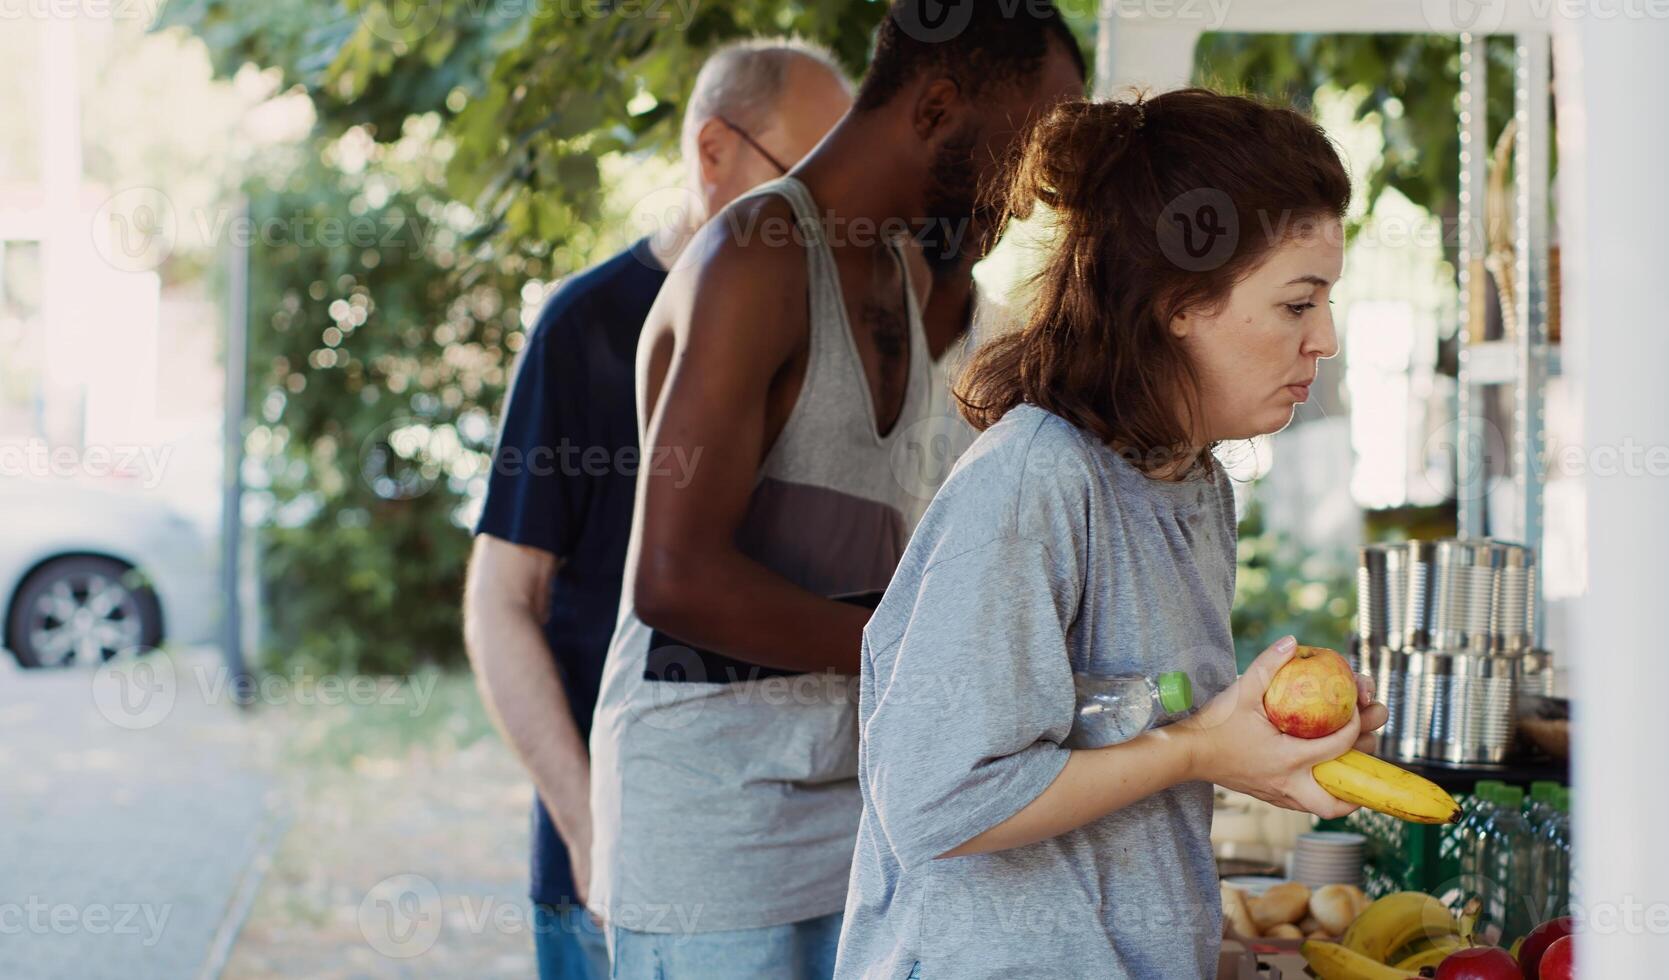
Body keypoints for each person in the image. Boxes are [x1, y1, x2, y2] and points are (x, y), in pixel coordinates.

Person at [834, 89, 1391, 979]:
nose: (1324, 338)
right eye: (1297, 304)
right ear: (1178, 300)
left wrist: (1241, 748)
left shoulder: (1192, 482)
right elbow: (939, 801)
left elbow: (1131, 747)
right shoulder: (1033, 482)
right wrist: (1203, 748)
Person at [586, 4, 1086, 977]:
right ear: (938, 106)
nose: (1031, 198)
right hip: (718, 850)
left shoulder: (904, 272)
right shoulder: (756, 257)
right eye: (1028, 152)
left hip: (858, 822)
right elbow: (675, 578)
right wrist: (937, 655)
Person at [462, 39, 852, 980]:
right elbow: (500, 601)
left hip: (806, 860)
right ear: (713, 153)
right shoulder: (586, 325)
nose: (833, 213)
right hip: (619, 852)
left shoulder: (848, 328)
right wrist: (587, 820)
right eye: (804, 176)